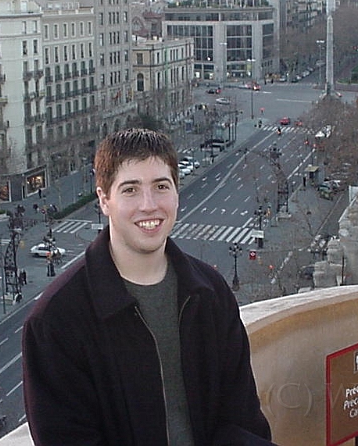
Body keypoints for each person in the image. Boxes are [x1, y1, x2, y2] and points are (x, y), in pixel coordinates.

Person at [22, 128, 273, 445]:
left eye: (161, 187)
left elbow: (242, 419)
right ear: (104, 199)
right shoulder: (56, 320)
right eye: (130, 190)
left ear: (177, 194)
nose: (149, 205)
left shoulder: (210, 294)